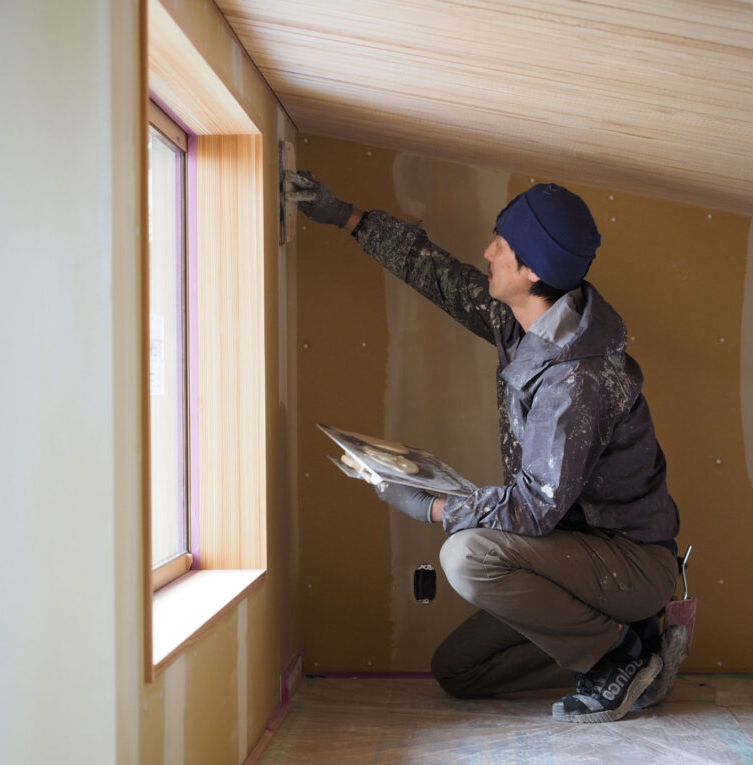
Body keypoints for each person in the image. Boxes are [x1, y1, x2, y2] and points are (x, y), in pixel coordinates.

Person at [287, 170, 686, 723]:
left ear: (534, 271)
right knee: (460, 670)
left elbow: (532, 509)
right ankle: (639, 654)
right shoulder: (525, 320)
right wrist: (346, 216)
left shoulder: (578, 378)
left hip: (630, 565)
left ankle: (615, 656)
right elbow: (441, 277)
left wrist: (431, 506)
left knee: (466, 556)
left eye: (502, 244)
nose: (488, 251)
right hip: (568, 557)